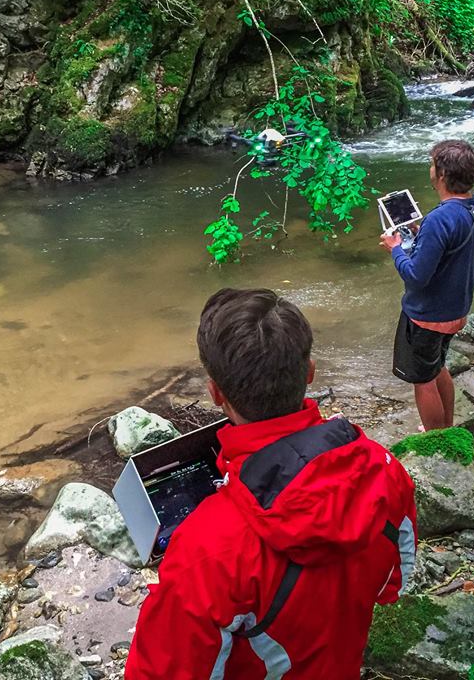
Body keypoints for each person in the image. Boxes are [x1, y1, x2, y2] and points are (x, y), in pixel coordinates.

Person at [126, 288, 417, 680]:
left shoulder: (205, 552)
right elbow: (391, 585)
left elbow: (160, 672)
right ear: (310, 372)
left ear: (215, 393)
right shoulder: (384, 471)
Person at [380, 139, 474, 430]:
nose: (430, 169)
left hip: (427, 316)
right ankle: (447, 427)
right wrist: (422, 236)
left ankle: (436, 439)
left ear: (441, 174)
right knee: (438, 365)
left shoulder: (439, 219)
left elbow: (416, 276)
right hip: (456, 309)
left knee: (423, 379)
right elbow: (453, 251)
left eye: (432, 164)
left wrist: (395, 248)